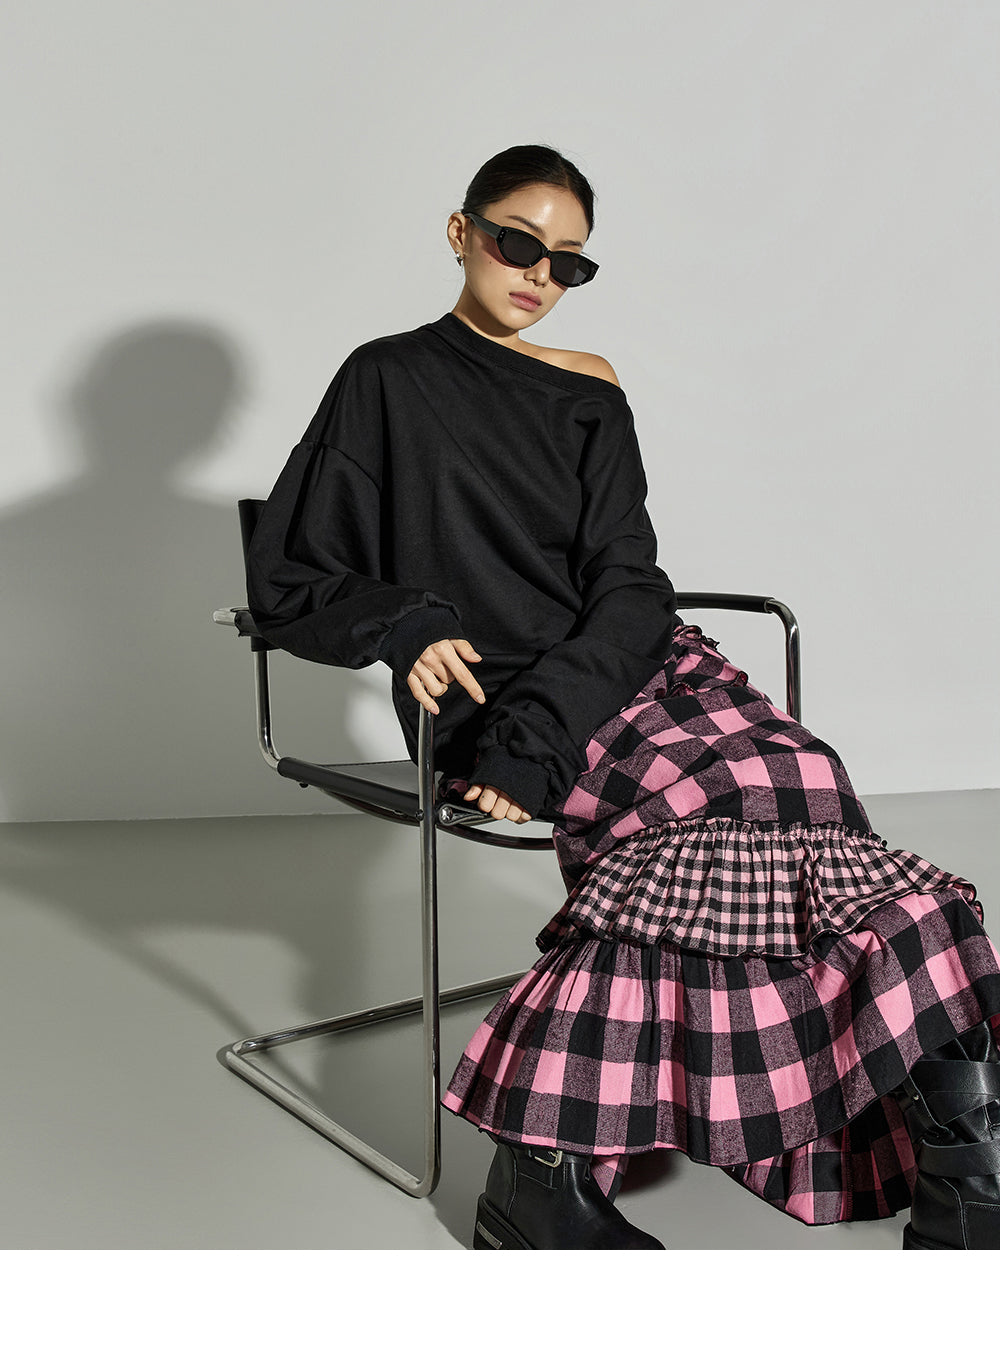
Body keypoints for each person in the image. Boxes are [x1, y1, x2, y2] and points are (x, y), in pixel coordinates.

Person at [246, 143, 1000, 1250]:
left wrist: (563, 715)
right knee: (709, 816)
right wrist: (404, 626)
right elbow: (288, 577)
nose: (538, 274)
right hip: (495, 696)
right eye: (518, 243)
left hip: (629, 664)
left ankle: (962, 1160)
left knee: (799, 774)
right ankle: (540, 1172)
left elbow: (629, 577)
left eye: (568, 263)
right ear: (459, 233)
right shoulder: (385, 378)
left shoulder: (589, 385)